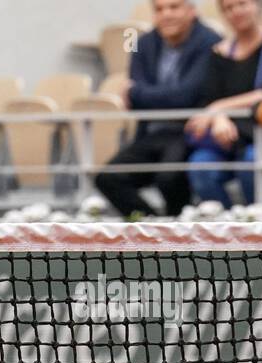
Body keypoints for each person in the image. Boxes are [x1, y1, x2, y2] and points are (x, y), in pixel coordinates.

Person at [94, 0, 220, 218]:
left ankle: (178, 234)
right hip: (151, 133)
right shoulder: (143, 44)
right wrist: (145, 96)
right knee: (108, 178)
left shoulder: (210, 42)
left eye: (174, 7)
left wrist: (138, 93)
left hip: (189, 132)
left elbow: (185, 97)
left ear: (191, 11)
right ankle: (151, 229)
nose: (166, 15)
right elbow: (135, 103)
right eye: (159, 9)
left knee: (169, 178)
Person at [185, 0, 262, 208]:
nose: (235, 12)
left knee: (252, 160)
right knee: (201, 165)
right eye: (228, 8)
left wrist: (218, 109)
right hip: (232, 137)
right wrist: (218, 117)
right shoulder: (218, 52)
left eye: (242, 4)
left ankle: (259, 227)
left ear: (259, 5)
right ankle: (225, 230)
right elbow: (209, 99)